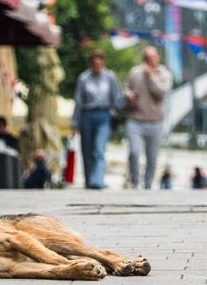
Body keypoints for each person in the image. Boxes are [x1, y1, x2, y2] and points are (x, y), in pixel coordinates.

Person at [71, 49, 123, 189]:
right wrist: (75, 123)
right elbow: (78, 101)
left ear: (103, 63)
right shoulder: (83, 78)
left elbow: (117, 98)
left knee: (99, 149)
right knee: (87, 150)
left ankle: (97, 181)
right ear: (91, 64)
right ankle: (89, 181)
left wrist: (126, 103)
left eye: (100, 63)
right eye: (94, 63)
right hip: (86, 115)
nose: (97, 66)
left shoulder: (110, 77)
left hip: (104, 115)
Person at [125, 46, 172, 189]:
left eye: (152, 57)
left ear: (158, 57)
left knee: (152, 158)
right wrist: (128, 95)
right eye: (146, 58)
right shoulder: (135, 72)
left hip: (155, 122)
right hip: (135, 120)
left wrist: (151, 76)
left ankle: (148, 184)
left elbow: (161, 93)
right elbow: (126, 87)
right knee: (134, 152)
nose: (149, 61)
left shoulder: (164, 74)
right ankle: (134, 181)